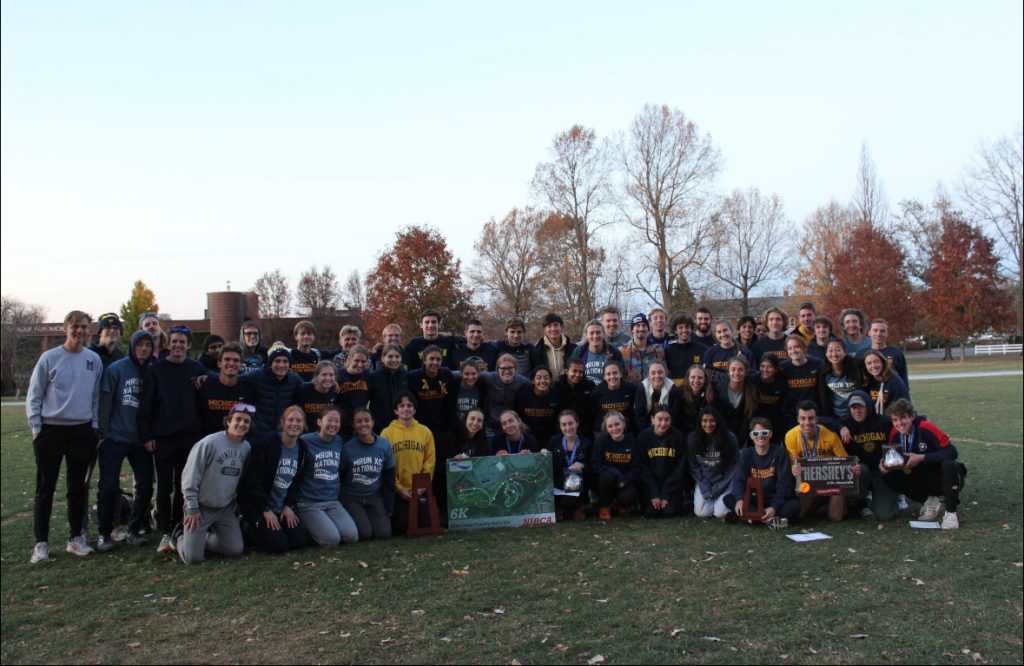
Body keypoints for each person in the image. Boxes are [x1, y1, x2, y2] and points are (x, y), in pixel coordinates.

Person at [26, 311, 104, 563]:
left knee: (77, 489)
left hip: (81, 431)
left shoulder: (93, 360)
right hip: (50, 430)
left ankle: (75, 538)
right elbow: (35, 394)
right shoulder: (50, 358)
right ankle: (41, 544)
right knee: (45, 489)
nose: (80, 331)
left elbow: (94, 397)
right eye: (75, 327)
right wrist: (36, 427)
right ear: (65, 328)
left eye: (84, 327)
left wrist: (93, 424)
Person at [137, 324, 205, 553]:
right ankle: (165, 531)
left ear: (188, 345)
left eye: (182, 342)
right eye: (174, 341)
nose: (178, 345)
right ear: (168, 344)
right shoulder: (156, 370)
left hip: (189, 438)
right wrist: (147, 435)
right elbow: (145, 405)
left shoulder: (196, 369)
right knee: (164, 487)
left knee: (184, 486)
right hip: (164, 437)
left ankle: (179, 526)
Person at [96, 330, 155, 551]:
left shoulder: (152, 370)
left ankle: (133, 529)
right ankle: (105, 532)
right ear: (132, 346)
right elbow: (105, 403)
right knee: (109, 486)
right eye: (139, 345)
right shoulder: (116, 370)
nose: (143, 349)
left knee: (145, 486)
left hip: (141, 440)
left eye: (148, 346)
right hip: (115, 437)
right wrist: (102, 433)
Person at [178, 403, 253, 564]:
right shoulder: (209, 443)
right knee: (193, 558)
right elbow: (190, 477)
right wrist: (192, 507)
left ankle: (199, 539)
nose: (242, 424)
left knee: (235, 550)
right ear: (228, 422)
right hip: (201, 508)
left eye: (246, 421)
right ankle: (180, 538)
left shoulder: (246, 447)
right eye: (238, 419)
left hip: (224, 508)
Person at [881, 398, 965, 529]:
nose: (899, 423)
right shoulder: (894, 433)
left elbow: (952, 452)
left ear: (912, 416)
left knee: (949, 464)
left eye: (903, 418)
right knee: (889, 475)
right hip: (921, 476)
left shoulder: (926, 427)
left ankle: (951, 513)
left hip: (942, 476)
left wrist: (922, 457)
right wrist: (885, 464)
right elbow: (894, 457)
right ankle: (929, 501)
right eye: (895, 420)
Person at [239, 405, 309, 554]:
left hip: (281, 507)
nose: (294, 424)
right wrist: (265, 509)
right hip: (261, 507)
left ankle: (276, 528)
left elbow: (296, 481)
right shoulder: (267, 444)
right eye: (290, 420)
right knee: (278, 546)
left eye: (299, 421)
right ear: (283, 422)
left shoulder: (302, 448)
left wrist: (289, 505)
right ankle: (247, 526)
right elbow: (252, 481)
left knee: (299, 541)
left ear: (303, 425)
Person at [293, 405, 359, 546]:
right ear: (319, 422)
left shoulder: (338, 441)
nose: (333, 424)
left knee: (351, 536)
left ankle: (322, 525)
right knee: (331, 540)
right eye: (329, 420)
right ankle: (305, 525)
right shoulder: (305, 441)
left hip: (332, 501)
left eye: (337, 421)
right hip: (309, 502)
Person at [784, 401, 858, 523]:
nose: (807, 423)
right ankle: (819, 503)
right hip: (810, 481)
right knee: (800, 515)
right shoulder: (790, 436)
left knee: (835, 518)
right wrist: (794, 469)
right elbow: (794, 464)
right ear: (797, 419)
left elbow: (845, 461)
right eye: (803, 418)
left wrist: (852, 468)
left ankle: (841, 503)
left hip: (831, 481)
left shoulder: (831, 436)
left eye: (811, 418)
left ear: (817, 418)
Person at [725, 417, 799, 529]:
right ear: (751, 436)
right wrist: (740, 500)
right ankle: (769, 520)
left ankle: (753, 518)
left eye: (764, 432)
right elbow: (738, 481)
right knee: (729, 499)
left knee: (795, 505)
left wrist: (774, 507)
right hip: (754, 500)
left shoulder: (780, 453)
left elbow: (785, 485)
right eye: (756, 433)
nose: (760, 436)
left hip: (774, 499)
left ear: (770, 434)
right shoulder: (745, 454)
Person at [836, 391, 899, 520]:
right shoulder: (846, 424)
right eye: (854, 407)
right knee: (860, 469)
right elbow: (823, 421)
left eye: (861, 407)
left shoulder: (883, 422)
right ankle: (859, 503)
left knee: (886, 515)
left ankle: (888, 497)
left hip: (881, 471)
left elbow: (901, 427)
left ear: (868, 406)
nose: (857, 411)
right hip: (861, 472)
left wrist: (889, 464)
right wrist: (840, 427)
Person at [381, 392, 437, 536]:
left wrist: (422, 487)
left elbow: (429, 461)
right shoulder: (386, 434)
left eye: (409, 405)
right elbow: (384, 467)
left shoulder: (425, 432)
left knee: (424, 525)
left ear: (415, 409)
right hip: (398, 491)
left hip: (418, 490)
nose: (406, 408)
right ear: (396, 410)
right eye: (402, 406)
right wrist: (399, 488)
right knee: (400, 527)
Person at [340, 408, 397, 541]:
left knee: (384, 533)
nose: (363, 424)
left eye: (366, 420)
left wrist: (389, 504)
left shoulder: (384, 445)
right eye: (358, 421)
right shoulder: (347, 448)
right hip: (353, 498)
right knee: (365, 534)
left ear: (372, 423)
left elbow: (389, 478)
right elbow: (341, 476)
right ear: (353, 425)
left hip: (374, 497)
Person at [634, 407, 690, 518]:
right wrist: (654, 492)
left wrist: (666, 492)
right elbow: (642, 468)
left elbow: (680, 468)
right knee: (651, 513)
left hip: (671, 485)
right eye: (659, 419)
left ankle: (684, 501)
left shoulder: (678, 437)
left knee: (669, 512)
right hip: (650, 485)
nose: (663, 423)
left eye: (667, 419)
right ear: (652, 419)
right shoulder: (643, 437)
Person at [243, 343, 303, 444]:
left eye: (285, 361)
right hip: (258, 434)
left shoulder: (294, 380)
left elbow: (310, 386)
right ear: (270, 363)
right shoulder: (257, 376)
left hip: (283, 434)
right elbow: (238, 380)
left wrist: (332, 384)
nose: (281, 365)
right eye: (277, 361)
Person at [686, 406, 739, 519]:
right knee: (703, 513)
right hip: (704, 482)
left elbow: (734, 466)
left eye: (712, 420)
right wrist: (705, 487)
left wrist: (719, 487)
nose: (708, 424)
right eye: (704, 421)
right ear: (700, 422)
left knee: (719, 514)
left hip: (724, 481)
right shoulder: (692, 439)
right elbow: (693, 467)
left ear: (718, 421)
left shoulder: (729, 438)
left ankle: (724, 502)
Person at [590, 411, 639, 520]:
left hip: (624, 482)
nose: (614, 428)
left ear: (624, 424)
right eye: (610, 426)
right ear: (606, 428)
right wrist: (617, 475)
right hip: (606, 482)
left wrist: (625, 480)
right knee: (607, 476)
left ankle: (623, 506)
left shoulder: (632, 442)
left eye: (617, 424)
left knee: (629, 495)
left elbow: (636, 468)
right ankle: (605, 507)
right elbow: (595, 465)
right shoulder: (600, 441)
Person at [196, 342, 251, 436]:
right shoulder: (205, 385)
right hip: (208, 443)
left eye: (236, 360)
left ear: (241, 365)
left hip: (236, 444)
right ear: (219, 363)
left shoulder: (248, 389)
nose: (231, 363)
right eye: (227, 359)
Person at [549, 410, 591, 521]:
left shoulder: (586, 443)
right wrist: (544, 455)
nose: (568, 427)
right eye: (564, 424)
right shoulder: (553, 442)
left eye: (570, 423)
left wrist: (583, 465)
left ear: (577, 423)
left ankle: (577, 507)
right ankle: (558, 508)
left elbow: (593, 466)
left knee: (569, 503)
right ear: (560, 426)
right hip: (557, 485)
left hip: (576, 485)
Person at [779, 334, 823, 429]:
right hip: (793, 416)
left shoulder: (817, 364)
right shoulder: (783, 368)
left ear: (803, 348)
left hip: (815, 414)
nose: (793, 351)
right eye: (790, 348)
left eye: (797, 347)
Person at [480, 353, 531, 433]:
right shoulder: (490, 377)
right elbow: (471, 373)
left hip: (510, 424)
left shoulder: (522, 381)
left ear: (515, 369)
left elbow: (536, 386)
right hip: (490, 424)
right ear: (497, 370)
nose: (507, 371)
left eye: (510, 368)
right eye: (503, 368)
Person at [713, 357, 760, 442]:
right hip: (722, 435)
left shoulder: (753, 391)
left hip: (745, 435)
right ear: (728, 372)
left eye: (740, 370)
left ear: (746, 372)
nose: (736, 373)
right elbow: (718, 418)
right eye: (733, 369)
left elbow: (750, 419)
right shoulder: (718, 390)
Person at [515, 365, 565, 446]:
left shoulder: (557, 396)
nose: (542, 381)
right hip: (527, 438)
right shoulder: (523, 395)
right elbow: (517, 417)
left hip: (550, 438)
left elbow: (560, 419)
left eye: (546, 378)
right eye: (538, 378)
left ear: (550, 380)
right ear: (533, 380)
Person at [818, 339, 863, 419]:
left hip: (857, 414)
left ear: (845, 352)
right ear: (826, 353)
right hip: (835, 416)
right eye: (830, 351)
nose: (834, 354)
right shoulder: (823, 371)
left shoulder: (857, 366)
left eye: (838, 350)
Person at [553, 358, 597, 441]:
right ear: (566, 371)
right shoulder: (557, 386)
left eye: (580, 372)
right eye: (574, 371)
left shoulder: (589, 386)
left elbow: (593, 408)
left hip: (585, 431)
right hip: (564, 430)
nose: (577, 375)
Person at [569, 318, 624, 384]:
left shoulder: (614, 352)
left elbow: (622, 375)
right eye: (591, 333)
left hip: (606, 392)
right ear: (586, 335)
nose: (595, 336)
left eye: (598, 332)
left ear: (603, 334)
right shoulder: (579, 352)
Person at [335, 344, 372, 438]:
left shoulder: (367, 376)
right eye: (356, 360)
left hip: (360, 425)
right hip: (342, 427)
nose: (360, 364)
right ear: (349, 359)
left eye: (363, 361)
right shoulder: (338, 376)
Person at [367, 343, 407, 430]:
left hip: (401, 425)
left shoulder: (406, 376)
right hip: (379, 426)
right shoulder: (374, 377)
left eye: (397, 357)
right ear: (382, 358)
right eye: (390, 356)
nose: (394, 360)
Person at [292, 360, 339, 432]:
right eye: (324, 374)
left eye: (331, 375)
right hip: (305, 434)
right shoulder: (304, 389)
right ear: (317, 376)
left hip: (324, 433)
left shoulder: (334, 390)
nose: (328, 378)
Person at [593, 361, 638, 434]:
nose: (612, 376)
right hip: (605, 432)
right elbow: (595, 414)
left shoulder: (631, 389)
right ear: (604, 377)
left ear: (620, 374)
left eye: (615, 373)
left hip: (627, 431)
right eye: (608, 374)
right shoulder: (598, 391)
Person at [619, 313, 665, 384]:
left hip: (652, 393)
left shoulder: (658, 350)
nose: (641, 328)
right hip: (631, 393)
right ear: (632, 331)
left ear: (648, 329)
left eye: (644, 325)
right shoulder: (622, 352)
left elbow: (664, 374)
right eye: (637, 325)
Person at [861, 349, 910, 414]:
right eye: (869, 363)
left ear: (883, 362)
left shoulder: (895, 381)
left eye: (876, 362)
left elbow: (901, 407)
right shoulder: (866, 382)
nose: (873, 366)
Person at [634, 361, 681, 426]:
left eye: (660, 372)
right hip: (646, 427)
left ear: (666, 374)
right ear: (648, 375)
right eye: (653, 373)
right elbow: (639, 416)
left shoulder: (673, 389)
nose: (657, 376)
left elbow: (673, 416)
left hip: (666, 426)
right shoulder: (642, 389)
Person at [753, 356, 787, 443]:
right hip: (756, 420)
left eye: (769, 367)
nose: (765, 369)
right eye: (763, 366)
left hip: (775, 420)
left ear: (776, 369)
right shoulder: (753, 380)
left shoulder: (781, 382)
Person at [867, 319, 910, 387]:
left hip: (893, 395)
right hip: (869, 395)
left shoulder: (897, 354)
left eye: (882, 331)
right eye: (875, 330)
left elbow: (904, 379)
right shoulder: (862, 354)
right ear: (869, 333)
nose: (878, 334)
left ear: (887, 334)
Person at [664, 314, 707, 384]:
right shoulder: (668, 351)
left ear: (691, 329)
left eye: (687, 327)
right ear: (675, 331)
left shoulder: (703, 349)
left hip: (696, 390)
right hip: (676, 391)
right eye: (680, 328)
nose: (684, 330)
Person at [677, 364, 715, 440]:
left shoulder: (711, 394)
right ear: (688, 378)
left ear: (705, 380)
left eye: (700, 378)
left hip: (703, 433)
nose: (696, 381)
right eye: (693, 377)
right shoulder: (679, 392)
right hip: (683, 433)